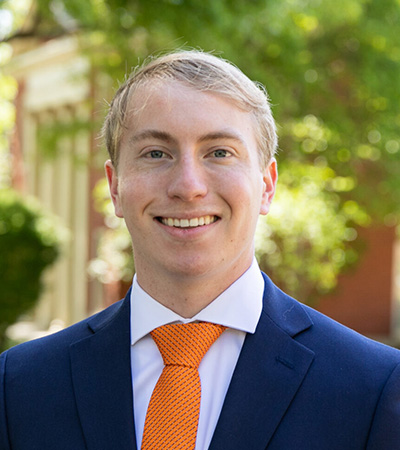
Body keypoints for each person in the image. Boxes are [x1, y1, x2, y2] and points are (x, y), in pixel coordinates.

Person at [0, 50, 399, 450]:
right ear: (115, 186)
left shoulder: (374, 388)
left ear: (267, 184)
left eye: (219, 152)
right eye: (156, 153)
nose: (188, 186)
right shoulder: (18, 386)